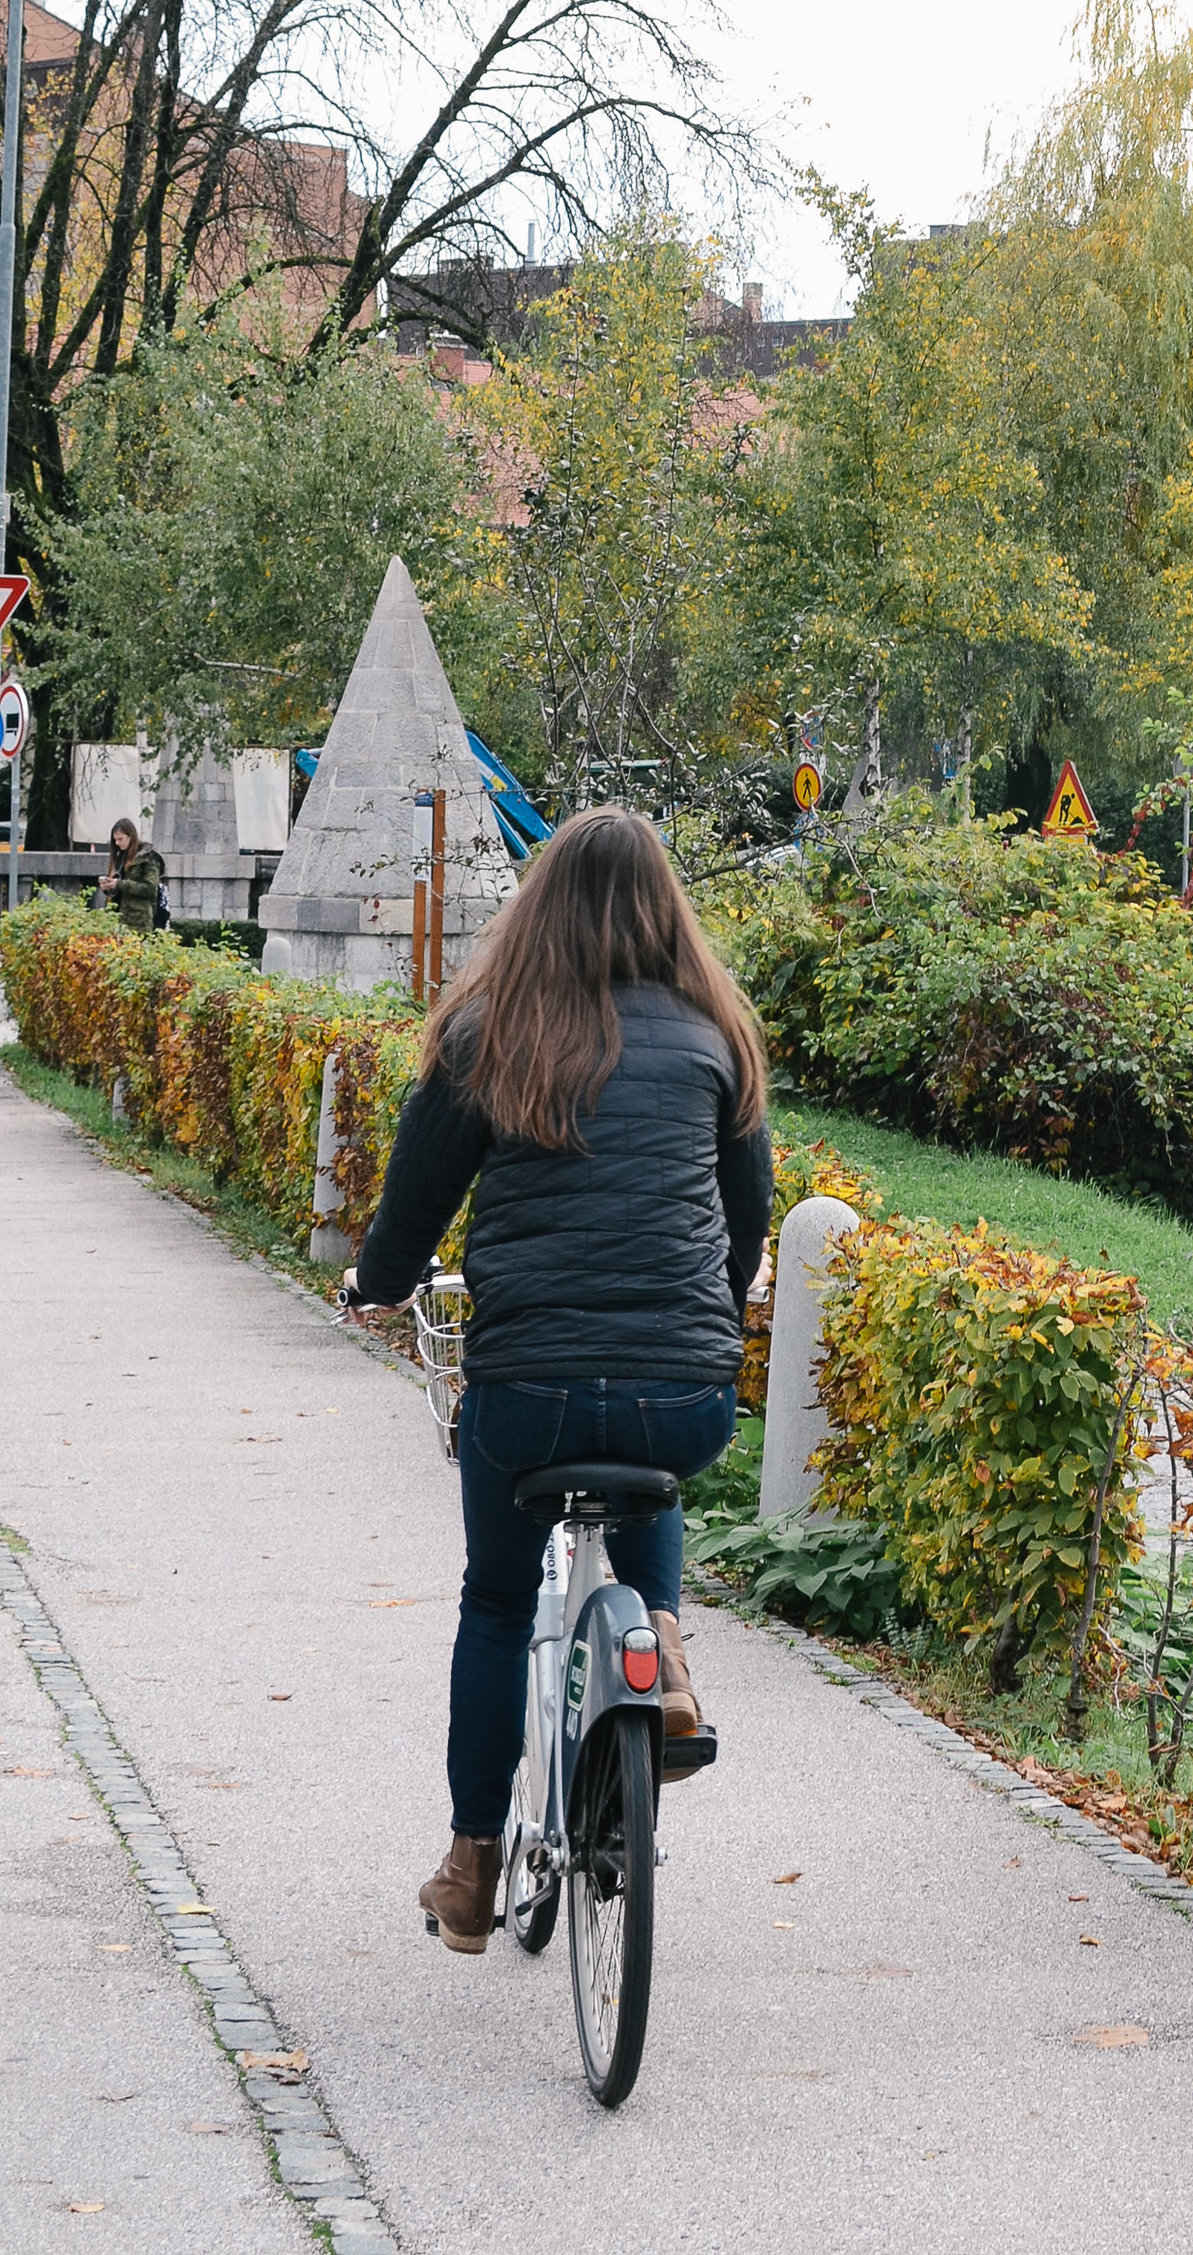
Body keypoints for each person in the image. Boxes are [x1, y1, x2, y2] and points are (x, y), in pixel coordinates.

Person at [340, 805, 772, 1956]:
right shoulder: (714, 1036)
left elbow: (414, 1204)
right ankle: (665, 1648)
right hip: (679, 1393)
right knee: (654, 1477)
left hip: (526, 1392)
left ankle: (474, 1863)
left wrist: (373, 1285)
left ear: (539, 902)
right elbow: (744, 1216)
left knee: (495, 1599)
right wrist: (702, 1325)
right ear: (666, 907)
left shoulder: (490, 1031)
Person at [100, 817, 166, 932]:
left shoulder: (148, 857)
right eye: (115, 840)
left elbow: (150, 889)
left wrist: (120, 884)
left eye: (120, 839)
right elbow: (117, 889)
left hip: (140, 921)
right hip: (119, 919)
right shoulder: (120, 857)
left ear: (130, 836)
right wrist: (109, 887)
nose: (117, 843)